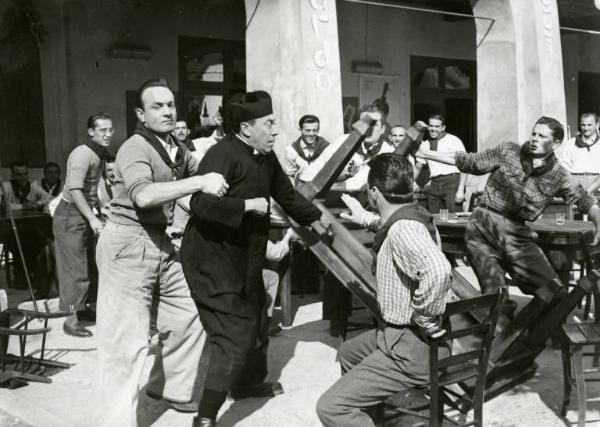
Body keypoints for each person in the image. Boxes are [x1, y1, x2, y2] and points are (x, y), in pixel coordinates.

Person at [180, 90, 321, 427]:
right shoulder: (221, 155)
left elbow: (286, 195)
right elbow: (200, 205)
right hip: (212, 258)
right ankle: (206, 416)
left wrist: (315, 219)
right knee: (234, 332)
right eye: (269, 124)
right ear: (245, 128)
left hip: (245, 257)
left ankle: (247, 383)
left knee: (257, 316)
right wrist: (246, 206)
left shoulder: (264, 156)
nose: (275, 131)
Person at [94, 78, 228, 427]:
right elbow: (144, 196)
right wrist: (199, 183)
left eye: (170, 105)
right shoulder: (135, 147)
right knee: (125, 343)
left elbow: (204, 175)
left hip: (161, 241)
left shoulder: (175, 148)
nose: (167, 111)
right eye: (158, 106)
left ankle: (167, 387)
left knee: (189, 312)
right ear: (141, 113)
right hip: (127, 243)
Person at [316, 153, 452, 427]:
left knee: (331, 408)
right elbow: (395, 226)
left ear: (374, 192)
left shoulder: (403, 230)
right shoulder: (414, 217)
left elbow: (439, 270)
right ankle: (372, 418)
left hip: (411, 347)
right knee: (348, 352)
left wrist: (424, 315)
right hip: (411, 339)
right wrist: (366, 218)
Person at [416, 116, 600, 297]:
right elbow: (469, 161)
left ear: (556, 143)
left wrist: (598, 221)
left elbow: (585, 199)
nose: (535, 138)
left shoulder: (559, 175)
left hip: (517, 234)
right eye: (534, 133)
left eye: (542, 136)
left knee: (555, 293)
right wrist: (425, 153)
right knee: (496, 298)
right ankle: (501, 319)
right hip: (483, 227)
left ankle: (536, 326)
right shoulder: (508, 151)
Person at [53, 113, 113, 337]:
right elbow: (75, 189)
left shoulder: (98, 154)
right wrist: (92, 218)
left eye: (110, 130)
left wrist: (100, 207)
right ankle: (70, 320)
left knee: (88, 264)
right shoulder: (82, 154)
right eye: (102, 130)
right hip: (69, 215)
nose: (108, 135)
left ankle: (83, 308)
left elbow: (90, 188)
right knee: (74, 269)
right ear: (91, 132)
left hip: (82, 213)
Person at [1, 162, 52, 289]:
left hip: (29, 230)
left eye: (24, 174)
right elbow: (3, 206)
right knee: (20, 241)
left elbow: (51, 199)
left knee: (32, 240)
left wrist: (39, 203)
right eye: (18, 175)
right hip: (9, 231)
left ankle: (28, 275)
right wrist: (23, 206)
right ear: (12, 175)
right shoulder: (6, 187)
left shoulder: (33, 187)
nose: (22, 177)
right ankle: (21, 276)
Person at [414, 114, 467, 213]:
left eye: (437, 126)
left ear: (443, 127)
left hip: (452, 182)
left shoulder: (453, 140)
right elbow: (418, 166)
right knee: (434, 216)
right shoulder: (425, 144)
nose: (433, 129)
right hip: (434, 184)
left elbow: (465, 165)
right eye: (431, 126)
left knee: (454, 216)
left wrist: (460, 190)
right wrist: (411, 182)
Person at [557, 112, 600, 194]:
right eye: (583, 125)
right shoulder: (570, 144)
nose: (585, 128)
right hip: (574, 186)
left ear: (597, 125)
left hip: (597, 187)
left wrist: (589, 190)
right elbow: (563, 167)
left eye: (589, 125)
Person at [283, 114, 332, 182]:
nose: (311, 134)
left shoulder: (327, 148)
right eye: (307, 130)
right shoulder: (291, 150)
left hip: (323, 189)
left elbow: (331, 171)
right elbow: (291, 174)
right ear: (300, 130)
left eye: (314, 130)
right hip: (301, 190)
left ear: (318, 130)